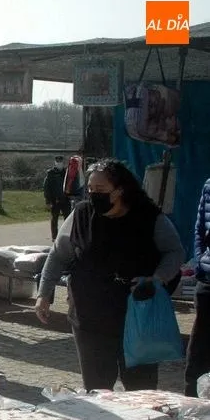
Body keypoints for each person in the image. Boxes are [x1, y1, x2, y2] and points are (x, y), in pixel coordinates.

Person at [36, 160, 185, 392]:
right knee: (96, 389)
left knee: (141, 389)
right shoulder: (81, 215)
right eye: (91, 190)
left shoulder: (149, 217)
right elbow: (57, 255)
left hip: (137, 317)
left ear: (120, 189)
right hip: (89, 318)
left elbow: (175, 252)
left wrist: (159, 277)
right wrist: (44, 293)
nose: (94, 195)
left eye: (101, 190)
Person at [190, 178, 210, 396]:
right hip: (207, 283)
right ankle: (192, 406)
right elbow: (199, 230)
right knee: (199, 353)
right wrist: (199, 262)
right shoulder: (209, 185)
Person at [43, 155, 71, 239]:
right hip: (55, 200)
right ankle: (55, 237)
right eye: (58, 162)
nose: (59, 164)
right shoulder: (51, 173)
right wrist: (48, 201)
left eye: (61, 162)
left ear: (63, 163)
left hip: (66, 200)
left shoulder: (67, 173)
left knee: (68, 219)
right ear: (55, 163)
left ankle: (66, 235)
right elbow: (46, 188)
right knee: (54, 219)